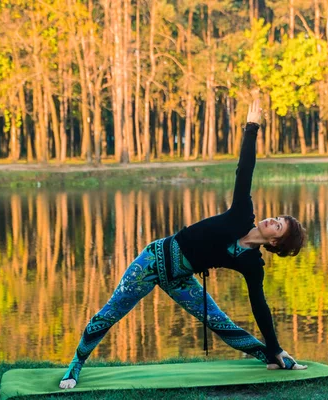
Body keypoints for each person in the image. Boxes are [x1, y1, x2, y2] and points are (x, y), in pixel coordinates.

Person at [60, 96, 308, 390]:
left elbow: (260, 307)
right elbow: (245, 170)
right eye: (276, 217)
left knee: (220, 322)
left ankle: (273, 356)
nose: (271, 220)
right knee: (110, 313)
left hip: (179, 279)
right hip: (152, 262)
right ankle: (74, 366)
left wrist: (275, 343)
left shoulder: (252, 263)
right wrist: (251, 127)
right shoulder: (243, 214)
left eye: (277, 225)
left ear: (276, 242)